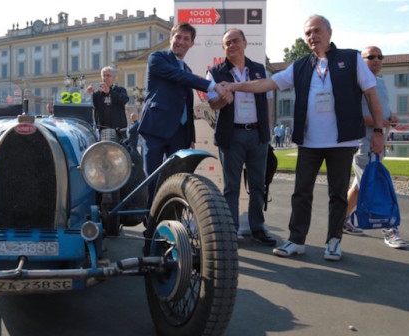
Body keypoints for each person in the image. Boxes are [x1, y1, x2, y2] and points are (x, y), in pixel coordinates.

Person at [225, 15, 386, 261]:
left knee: (338, 194)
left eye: (317, 31)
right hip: (309, 142)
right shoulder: (300, 65)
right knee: (301, 193)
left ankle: (333, 241)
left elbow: (372, 96)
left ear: (330, 33)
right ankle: (296, 240)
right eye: (308, 33)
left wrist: (377, 131)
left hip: (342, 142)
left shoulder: (351, 59)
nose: (313, 36)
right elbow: (267, 83)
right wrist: (236, 87)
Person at [138, 22, 231, 204]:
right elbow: (178, 76)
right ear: (171, 38)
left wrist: (191, 135)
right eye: (177, 37)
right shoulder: (157, 58)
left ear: (191, 44)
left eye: (186, 38)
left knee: (178, 179)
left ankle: (172, 218)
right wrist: (212, 85)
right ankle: (150, 223)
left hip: (180, 134)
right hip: (155, 129)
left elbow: (188, 106)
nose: (181, 41)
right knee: (153, 179)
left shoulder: (187, 70)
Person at [206, 28, 276, 245]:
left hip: (257, 135)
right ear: (224, 48)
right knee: (231, 187)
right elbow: (212, 103)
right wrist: (223, 99)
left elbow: (268, 100)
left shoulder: (259, 69)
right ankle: (231, 230)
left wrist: (268, 129)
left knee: (257, 185)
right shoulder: (215, 72)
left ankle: (258, 228)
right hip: (232, 136)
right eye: (227, 43)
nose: (232, 45)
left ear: (245, 43)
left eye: (236, 41)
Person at [342, 46, 405, 248]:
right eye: (371, 57)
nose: (377, 59)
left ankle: (341, 219)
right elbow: (351, 115)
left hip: (379, 140)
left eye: (380, 56)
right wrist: (377, 122)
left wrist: (390, 117)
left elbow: (381, 108)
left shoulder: (380, 82)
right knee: (375, 184)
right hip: (364, 142)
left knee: (359, 186)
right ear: (362, 60)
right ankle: (390, 228)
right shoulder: (355, 83)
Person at [87, 66, 129, 138]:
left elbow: (124, 100)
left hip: (118, 131)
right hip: (102, 130)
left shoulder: (120, 90)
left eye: (108, 75)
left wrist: (109, 92)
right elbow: (90, 106)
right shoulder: (97, 93)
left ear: (114, 78)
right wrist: (88, 94)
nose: (105, 78)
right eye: (104, 75)